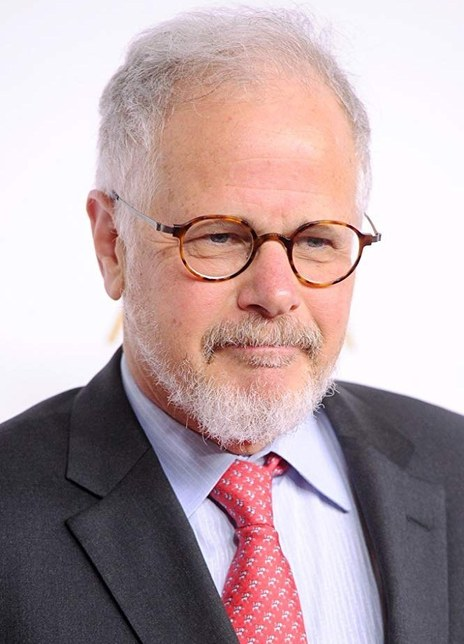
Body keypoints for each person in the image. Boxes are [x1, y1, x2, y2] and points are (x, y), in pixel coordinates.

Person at [1, 6, 463, 644]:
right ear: (113, 245)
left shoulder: (454, 465)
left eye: (317, 241)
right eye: (218, 236)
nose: (276, 294)